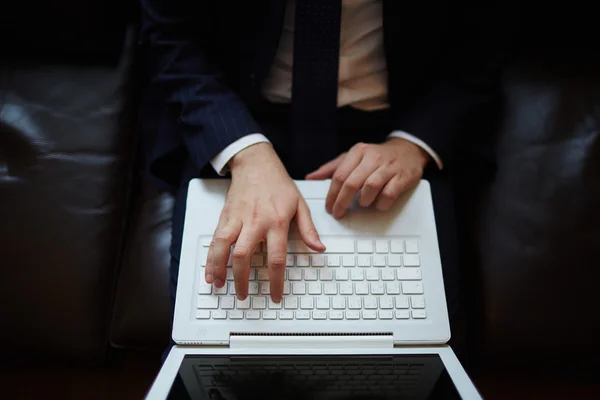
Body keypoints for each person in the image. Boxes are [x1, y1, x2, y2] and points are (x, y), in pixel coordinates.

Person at [138, 0, 514, 354]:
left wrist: (413, 145)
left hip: (395, 126)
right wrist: (243, 151)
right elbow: (171, 36)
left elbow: (482, 46)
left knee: (418, 343)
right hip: (238, 115)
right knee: (215, 343)